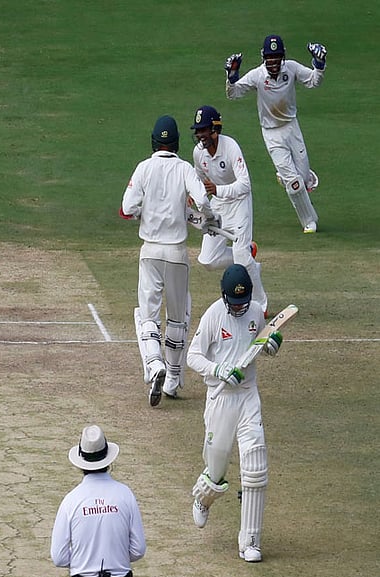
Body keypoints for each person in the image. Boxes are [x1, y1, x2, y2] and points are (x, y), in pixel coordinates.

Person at [187, 264, 283, 563]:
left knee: (255, 463)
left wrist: (271, 345)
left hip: (248, 396)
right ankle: (203, 498)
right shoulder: (214, 315)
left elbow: (262, 343)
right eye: (235, 303)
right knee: (216, 468)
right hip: (221, 398)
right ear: (225, 297)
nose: (240, 308)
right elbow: (193, 356)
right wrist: (219, 370)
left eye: (244, 302)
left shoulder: (255, 311)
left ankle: (250, 541)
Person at [120, 115, 218, 405]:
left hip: (150, 252)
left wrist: (142, 211)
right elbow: (201, 201)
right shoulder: (185, 168)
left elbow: (127, 208)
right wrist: (209, 219)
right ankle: (173, 380)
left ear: (154, 142)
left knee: (148, 314)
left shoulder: (144, 168)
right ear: (176, 143)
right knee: (178, 316)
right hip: (176, 253)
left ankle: (154, 364)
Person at [51, 424, 146, 577]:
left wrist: (84, 559)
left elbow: (58, 556)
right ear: (108, 459)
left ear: (81, 461)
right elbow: (138, 549)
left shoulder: (71, 500)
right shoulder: (125, 495)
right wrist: (115, 554)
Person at [225, 35, 326, 234]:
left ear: (283, 57)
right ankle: (309, 222)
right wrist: (232, 76)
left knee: (303, 181)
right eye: (270, 58)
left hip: (292, 127)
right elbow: (234, 93)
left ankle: (288, 177)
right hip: (272, 133)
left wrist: (319, 65)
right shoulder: (257, 75)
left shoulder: (292, 68)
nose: (273, 62)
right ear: (264, 58)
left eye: (277, 58)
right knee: (295, 183)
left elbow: (313, 81)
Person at [190, 105, 268, 312]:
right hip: (218, 205)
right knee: (207, 260)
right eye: (198, 131)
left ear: (215, 129)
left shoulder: (231, 147)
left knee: (241, 258)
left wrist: (218, 189)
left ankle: (261, 304)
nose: (200, 135)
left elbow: (245, 185)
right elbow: (198, 179)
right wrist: (193, 195)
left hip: (240, 202)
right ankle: (247, 253)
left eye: (204, 129)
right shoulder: (198, 153)